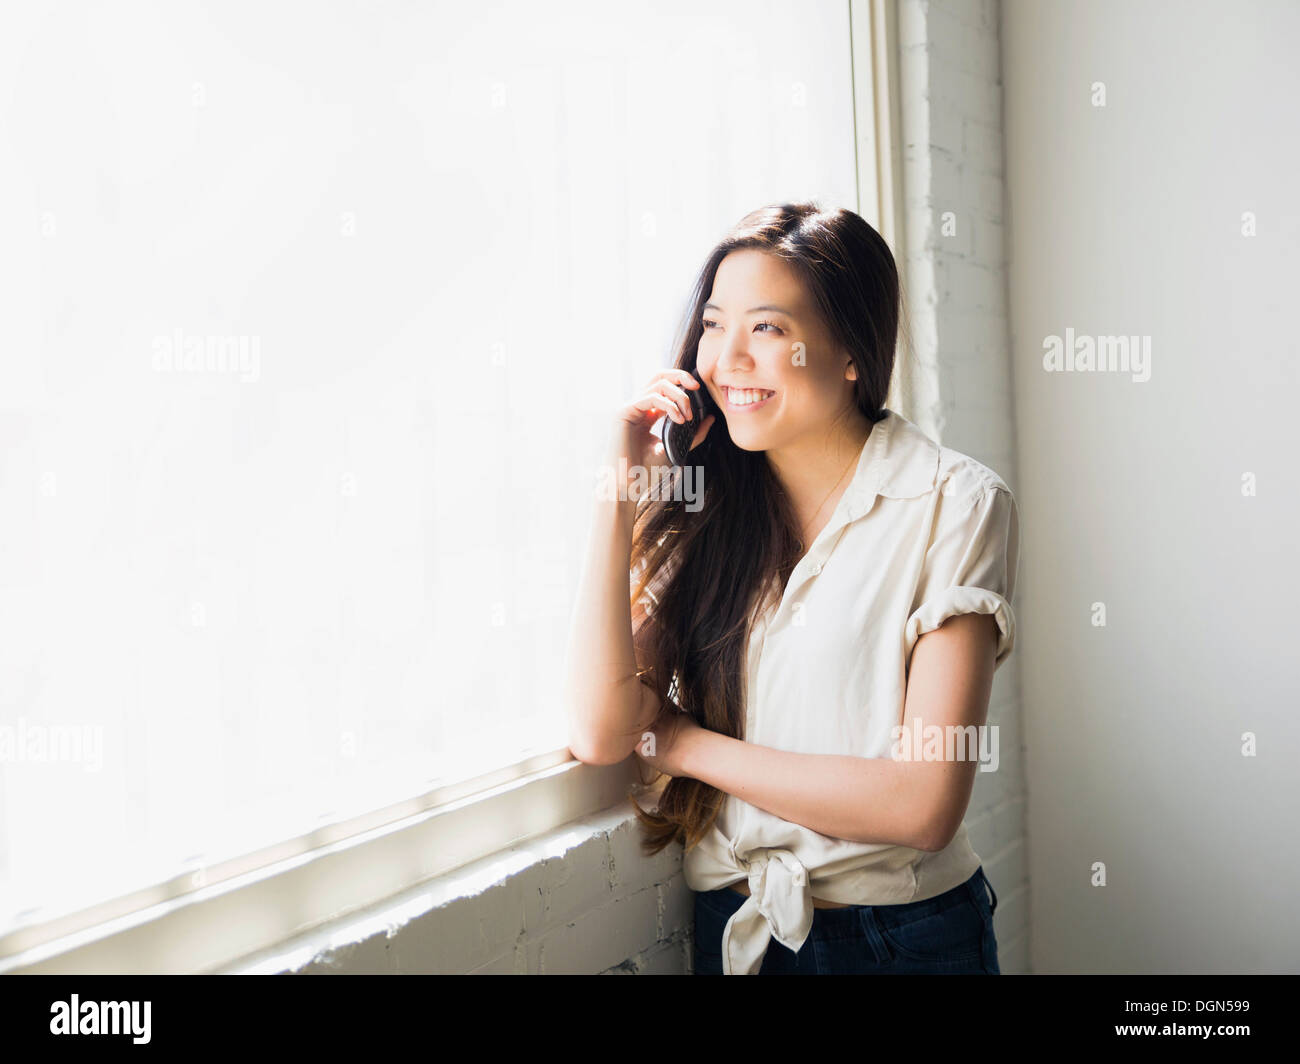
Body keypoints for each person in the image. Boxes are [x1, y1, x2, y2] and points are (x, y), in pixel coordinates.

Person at [564, 201, 1017, 975]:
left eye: (767, 328)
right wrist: (620, 494)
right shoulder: (712, 510)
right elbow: (604, 732)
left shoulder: (956, 502)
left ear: (850, 352)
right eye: (713, 324)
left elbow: (924, 804)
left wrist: (679, 742)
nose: (726, 358)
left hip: (902, 943)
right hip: (740, 932)